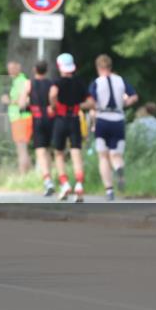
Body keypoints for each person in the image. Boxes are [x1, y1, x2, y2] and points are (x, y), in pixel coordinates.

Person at [89, 54, 139, 201]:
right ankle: (118, 168)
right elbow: (134, 97)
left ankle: (109, 189)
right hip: (118, 119)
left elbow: (92, 103)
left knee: (103, 156)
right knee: (116, 154)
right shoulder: (121, 80)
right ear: (111, 67)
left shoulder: (97, 83)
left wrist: (93, 121)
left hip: (102, 118)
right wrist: (124, 103)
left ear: (98, 67)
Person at [49, 53, 91, 202]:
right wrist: (77, 105)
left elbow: (53, 94)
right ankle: (79, 184)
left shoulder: (57, 82)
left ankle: (64, 183)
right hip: (74, 119)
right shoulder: (79, 82)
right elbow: (91, 102)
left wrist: (54, 105)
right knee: (76, 152)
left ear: (59, 66)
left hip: (60, 119)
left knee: (58, 153)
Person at [18, 60, 55, 195]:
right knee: (49, 150)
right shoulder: (51, 83)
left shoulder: (29, 83)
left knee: (40, 151)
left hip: (38, 118)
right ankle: (51, 177)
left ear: (34, 69)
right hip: (51, 119)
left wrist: (25, 106)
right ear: (46, 70)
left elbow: (22, 103)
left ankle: (48, 180)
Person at [1, 61, 33, 174]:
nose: (10, 71)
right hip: (17, 118)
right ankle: (29, 176)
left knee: (22, 149)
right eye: (9, 69)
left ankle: (23, 175)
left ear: (18, 68)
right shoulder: (16, 81)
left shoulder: (22, 81)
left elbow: (23, 101)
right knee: (21, 149)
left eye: (12, 68)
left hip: (21, 118)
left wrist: (8, 101)